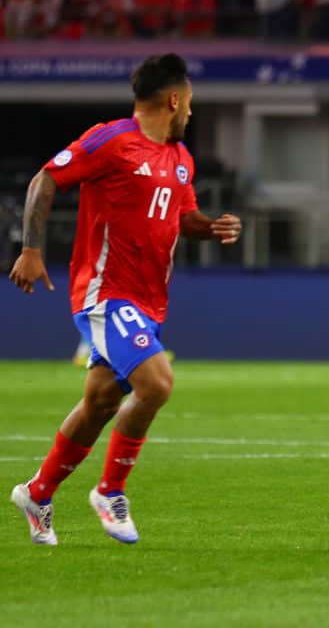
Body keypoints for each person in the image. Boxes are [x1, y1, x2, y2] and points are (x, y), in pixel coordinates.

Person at [8, 53, 242, 545]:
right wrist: (31, 250)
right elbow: (46, 179)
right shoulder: (112, 141)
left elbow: (181, 219)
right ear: (174, 99)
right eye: (191, 104)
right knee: (156, 383)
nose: (191, 114)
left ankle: (38, 491)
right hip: (105, 292)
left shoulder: (180, 159)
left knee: (99, 403)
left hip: (150, 300)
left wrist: (211, 226)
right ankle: (110, 491)